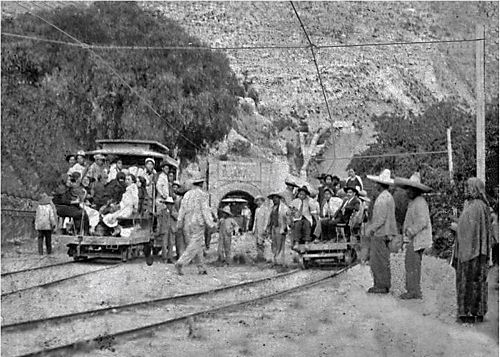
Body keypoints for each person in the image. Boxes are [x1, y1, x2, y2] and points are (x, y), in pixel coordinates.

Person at [453, 177, 492, 323]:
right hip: (475, 250)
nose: (466, 189)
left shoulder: (476, 206)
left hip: (470, 252)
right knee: (477, 280)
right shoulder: (476, 205)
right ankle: (477, 311)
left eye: (468, 187)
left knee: (469, 280)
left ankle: (468, 312)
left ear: (475, 189)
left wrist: (456, 228)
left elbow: (467, 229)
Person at [395, 173, 433, 299]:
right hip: (414, 239)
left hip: (417, 239)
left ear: (416, 190)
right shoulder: (415, 202)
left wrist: (410, 231)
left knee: (412, 264)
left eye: (410, 189)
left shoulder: (420, 202)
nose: (408, 192)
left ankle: (413, 291)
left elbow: (422, 221)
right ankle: (413, 289)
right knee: (411, 264)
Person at [175, 174, 216, 275]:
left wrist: (179, 223)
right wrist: (211, 224)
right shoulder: (202, 195)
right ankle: (181, 262)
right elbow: (205, 210)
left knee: (196, 245)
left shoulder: (187, 195)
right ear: (201, 184)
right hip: (198, 222)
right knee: (194, 245)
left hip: (186, 223)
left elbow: (182, 210)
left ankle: (201, 268)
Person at [365, 169, 398, 294]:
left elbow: (381, 219)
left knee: (378, 260)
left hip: (381, 232)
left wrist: (370, 229)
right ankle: (382, 283)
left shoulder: (383, 198)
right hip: (385, 232)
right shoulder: (387, 197)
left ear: (379, 184)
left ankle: (381, 285)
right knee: (381, 259)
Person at [266, 192, 290, 266]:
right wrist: (268, 228)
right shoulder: (272, 208)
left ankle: (280, 260)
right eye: (273, 198)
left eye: (276, 198)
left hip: (280, 227)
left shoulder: (284, 208)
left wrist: (286, 227)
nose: (274, 200)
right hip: (273, 227)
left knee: (280, 244)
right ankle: (275, 259)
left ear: (279, 199)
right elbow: (269, 219)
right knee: (274, 243)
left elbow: (287, 218)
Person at [157, 196, 176, 263]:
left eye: (170, 204)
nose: (169, 205)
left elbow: (177, 217)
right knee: (164, 244)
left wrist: (172, 213)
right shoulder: (162, 212)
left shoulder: (174, 212)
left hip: (171, 229)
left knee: (171, 244)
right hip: (165, 229)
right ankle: (164, 258)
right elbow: (160, 221)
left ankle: (170, 258)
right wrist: (159, 230)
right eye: (168, 204)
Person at [253, 195, 269, 262]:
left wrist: (265, 228)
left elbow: (266, 219)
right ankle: (259, 255)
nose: (259, 202)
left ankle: (262, 256)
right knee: (257, 242)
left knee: (261, 242)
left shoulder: (265, 209)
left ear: (262, 201)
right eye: (257, 201)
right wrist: (253, 228)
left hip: (262, 227)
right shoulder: (257, 210)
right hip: (257, 227)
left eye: (260, 201)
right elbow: (255, 219)